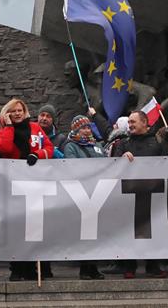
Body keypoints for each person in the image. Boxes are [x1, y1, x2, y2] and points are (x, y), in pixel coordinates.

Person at [0, 99, 54, 281]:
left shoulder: (36, 127)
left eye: (21, 110)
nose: (18, 113)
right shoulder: (2, 131)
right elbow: (3, 148)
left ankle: (31, 269)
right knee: (16, 229)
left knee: (34, 228)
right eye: (14, 111)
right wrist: (9, 127)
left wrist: (37, 155)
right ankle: (16, 268)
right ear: (8, 113)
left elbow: (49, 147)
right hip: (13, 185)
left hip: (35, 184)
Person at [112, 110, 168, 279]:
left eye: (133, 122)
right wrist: (122, 157)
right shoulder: (123, 143)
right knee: (129, 233)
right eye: (129, 122)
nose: (130, 125)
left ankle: (153, 266)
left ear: (145, 123)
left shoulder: (157, 143)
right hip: (129, 195)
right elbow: (113, 163)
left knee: (153, 232)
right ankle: (129, 267)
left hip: (152, 194)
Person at [62, 115, 106, 280]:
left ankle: (93, 267)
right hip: (80, 193)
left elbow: (104, 163)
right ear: (75, 130)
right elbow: (73, 166)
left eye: (88, 127)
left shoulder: (97, 145)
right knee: (84, 233)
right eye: (83, 128)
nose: (87, 130)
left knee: (95, 233)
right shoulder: (71, 146)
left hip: (97, 192)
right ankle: (84, 268)